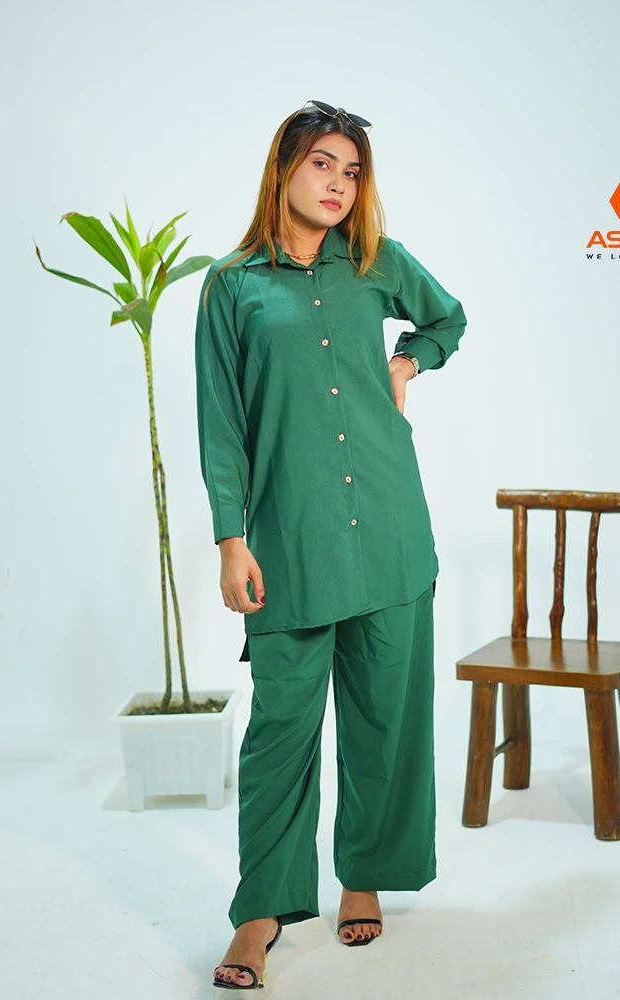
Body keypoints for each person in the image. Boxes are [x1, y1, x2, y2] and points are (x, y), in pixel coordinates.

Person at [195, 99, 467, 990]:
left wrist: (406, 362)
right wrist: (231, 540)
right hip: (291, 543)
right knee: (281, 730)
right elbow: (222, 425)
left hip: (389, 531)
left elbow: (448, 319)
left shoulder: (377, 262)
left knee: (385, 718)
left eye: (352, 171)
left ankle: (364, 876)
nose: (339, 184)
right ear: (284, 168)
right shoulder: (233, 285)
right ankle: (260, 912)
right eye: (323, 164)